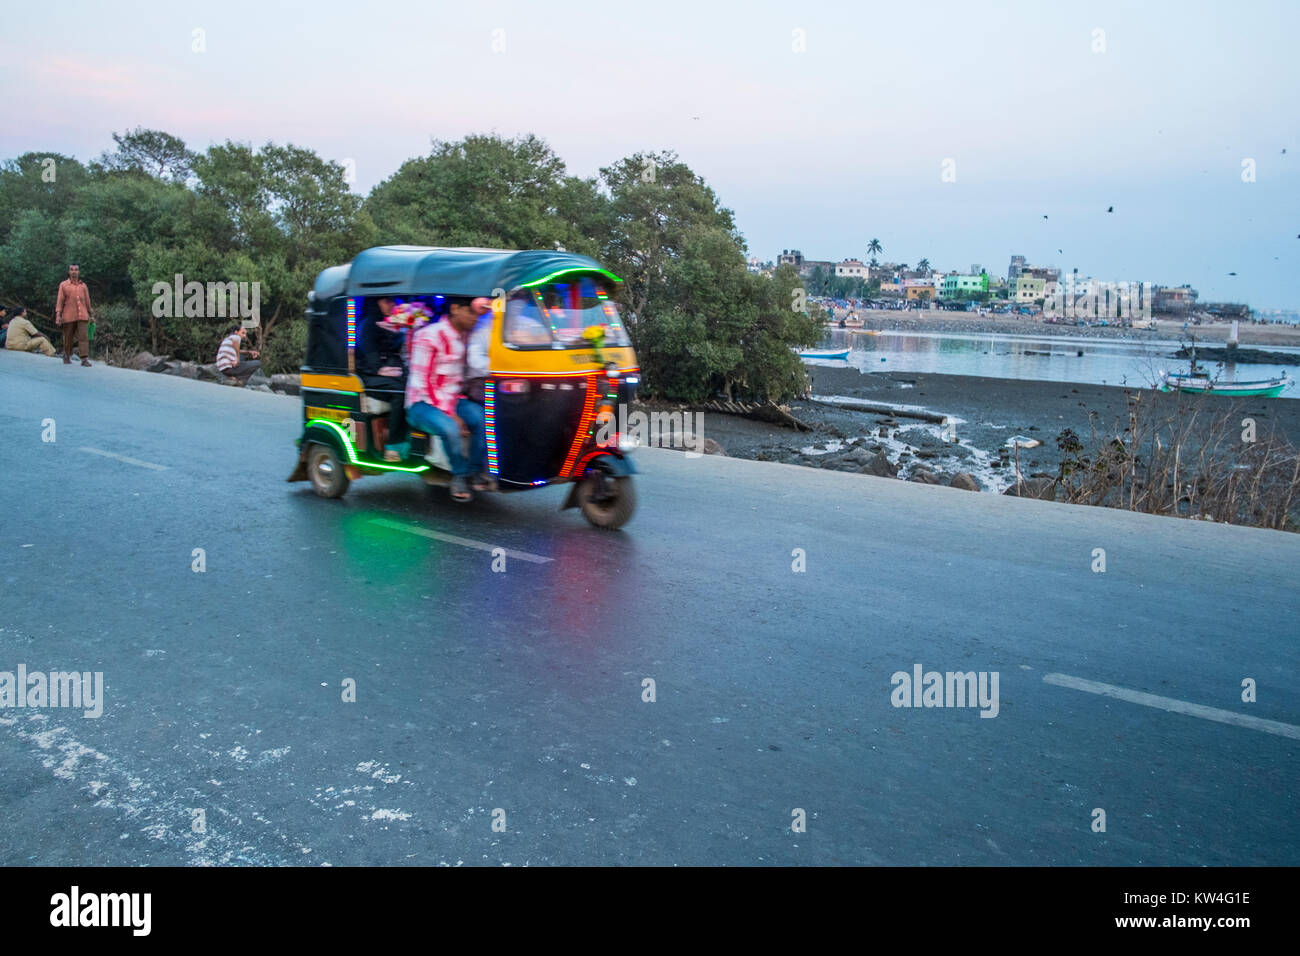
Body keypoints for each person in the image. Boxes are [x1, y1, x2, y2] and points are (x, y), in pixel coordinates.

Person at [405, 297, 490, 502]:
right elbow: (422, 382)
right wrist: (451, 414)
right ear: (455, 308)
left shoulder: (466, 336)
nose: (475, 319)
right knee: (450, 428)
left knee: (484, 419)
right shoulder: (429, 336)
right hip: (422, 403)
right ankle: (459, 475)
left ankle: (474, 471)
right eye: (471, 313)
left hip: (453, 398)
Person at [360, 298, 424, 461]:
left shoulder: (391, 324)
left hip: (391, 369)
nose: (391, 306)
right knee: (399, 391)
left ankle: (412, 437)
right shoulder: (368, 325)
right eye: (386, 302)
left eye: (392, 302)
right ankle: (393, 445)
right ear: (376, 303)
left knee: (414, 386)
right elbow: (370, 355)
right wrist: (380, 369)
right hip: (370, 375)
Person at [55, 264, 94, 366]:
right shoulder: (63, 285)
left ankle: (84, 359)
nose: (74, 272)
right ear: (69, 272)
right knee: (68, 337)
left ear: (79, 272)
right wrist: (58, 315)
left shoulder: (83, 286)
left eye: (76, 270)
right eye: (72, 270)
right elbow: (60, 300)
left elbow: (87, 301)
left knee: (83, 337)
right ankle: (67, 355)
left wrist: (91, 315)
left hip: (83, 315)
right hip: (69, 315)